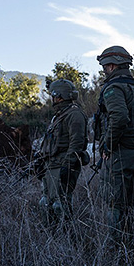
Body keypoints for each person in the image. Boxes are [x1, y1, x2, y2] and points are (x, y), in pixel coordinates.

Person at [95, 46, 134, 239]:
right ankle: (129, 243)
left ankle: (115, 250)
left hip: (118, 154)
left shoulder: (114, 88)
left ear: (112, 65)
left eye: (105, 66)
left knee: (115, 204)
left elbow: (119, 117)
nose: (104, 70)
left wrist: (108, 145)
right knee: (129, 203)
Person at [38, 79, 88, 221]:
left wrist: (68, 165)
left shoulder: (74, 114)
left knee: (60, 205)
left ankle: (68, 238)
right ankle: (51, 238)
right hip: (52, 165)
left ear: (59, 96)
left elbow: (77, 142)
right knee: (46, 203)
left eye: (53, 96)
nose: (52, 99)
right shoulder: (59, 116)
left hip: (63, 165)